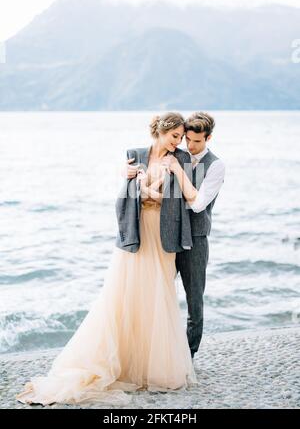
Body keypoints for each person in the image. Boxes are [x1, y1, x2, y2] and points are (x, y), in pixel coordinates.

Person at [16, 112, 198, 407]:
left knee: (158, 296)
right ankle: (123, 363)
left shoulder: (181, 160)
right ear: (161, 132)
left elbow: (181, 200)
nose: (179, 142)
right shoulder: (134, 155)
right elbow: (124, 195)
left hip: (164, 237)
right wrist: (132, 183)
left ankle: (155, 367)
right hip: (135, 234)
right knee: (123, 296)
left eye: (181, 137)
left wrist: (157, 182)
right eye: (175, 136)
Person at [127, 112, 225, 359]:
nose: (190, 146)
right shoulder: (175, 156)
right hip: (168, 235)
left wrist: (177, 173)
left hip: (196, 239)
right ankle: (157, 352)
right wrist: (125, 171)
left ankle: (188, 356)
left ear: (209, 138)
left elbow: (197, 204)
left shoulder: (215, 165)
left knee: (194, 301)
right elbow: (146, 158)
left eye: (197, 142)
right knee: (159, 295)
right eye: (187, 140)